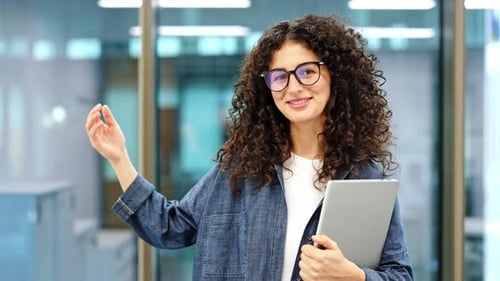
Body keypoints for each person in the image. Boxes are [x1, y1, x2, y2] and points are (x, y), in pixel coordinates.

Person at [86, 14, 413, 281]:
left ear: (336, 76)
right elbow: (170, 228)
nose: (293, 87)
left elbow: (399, 274)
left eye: (307, 72)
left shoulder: (366, 177)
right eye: (279, 77)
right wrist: (119, 159)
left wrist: (355, 276)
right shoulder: (242, 169)